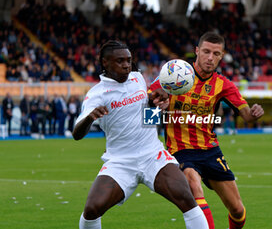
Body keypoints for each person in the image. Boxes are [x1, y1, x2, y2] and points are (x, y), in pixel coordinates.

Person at [73, 40, 209, 229]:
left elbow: (148, 119)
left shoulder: (137, 79)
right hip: (121, 162)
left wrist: (155, 105)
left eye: (128, 60)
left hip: (153, 155)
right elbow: (76, 133)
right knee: (92, 209)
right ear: (105, 62)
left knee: (187, 198)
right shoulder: (97, 94)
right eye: (120, 61)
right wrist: (89, 118)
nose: (126, 65)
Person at [149, 32, 264, 229]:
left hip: (211, 151)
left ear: (221, 56)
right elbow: (146, 113)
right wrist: (155, 107)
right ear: (197, 51)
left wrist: (254, 113)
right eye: (206, 52)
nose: (210, 58)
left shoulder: (223, 85)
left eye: (216, 54)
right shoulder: (174, 74)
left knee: (237, 210)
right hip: (181, 150)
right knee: (194, 185)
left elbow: (246, 115)